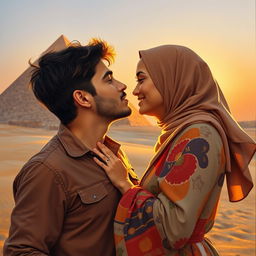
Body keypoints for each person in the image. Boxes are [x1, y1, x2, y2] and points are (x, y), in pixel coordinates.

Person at [92, 45, 256, 255]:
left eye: (141, 79)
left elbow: (174, 228)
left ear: (172, 79)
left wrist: (125, 185)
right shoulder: (181, 132)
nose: (134, 91)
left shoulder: (200, 133)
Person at [3, 39, 138, 256]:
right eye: (109, 80)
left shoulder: (113, 153)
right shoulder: (47, 171)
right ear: (83, 98)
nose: (122, 86)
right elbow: (21, 251)